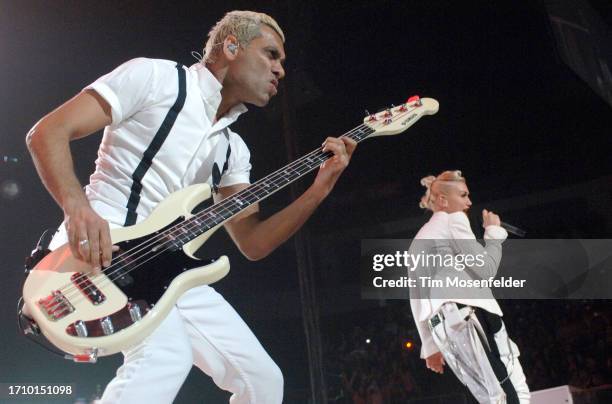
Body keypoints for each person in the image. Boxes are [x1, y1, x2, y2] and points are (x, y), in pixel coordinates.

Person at [25, 11, 356, 404]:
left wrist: (319, 189)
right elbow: (47, 132)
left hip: (167, 269)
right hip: (99, 247)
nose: (280, 70)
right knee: (166, 354)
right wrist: (76, 207)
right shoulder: (155, 78)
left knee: (263, 382)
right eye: (271, 55)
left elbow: (252, 242)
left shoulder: (233, 150)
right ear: (231, 47)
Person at [408, 170, 530, 403]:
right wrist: (493, 233)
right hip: (469, 315)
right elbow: (486, 270)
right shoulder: (454, 220)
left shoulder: (417, 241)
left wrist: (429, 345)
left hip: (445, 327)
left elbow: (416, 296)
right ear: (443, 200)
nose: (469, 202)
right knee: (509, 395)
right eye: (464, 195)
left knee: (498, 396)